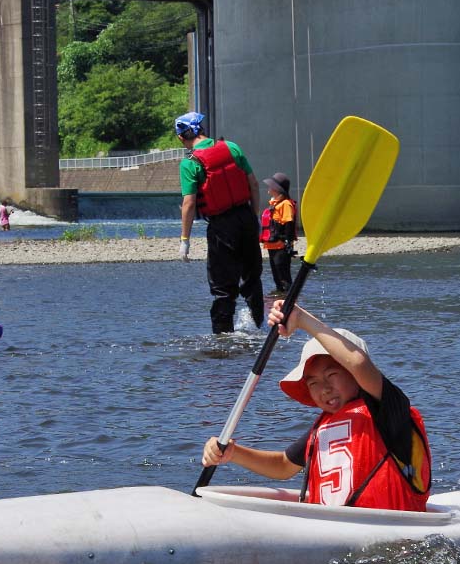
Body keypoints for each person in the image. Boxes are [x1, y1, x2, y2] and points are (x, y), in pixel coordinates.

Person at [202, 300, 432, 512]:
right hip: (336, 532)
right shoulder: (323, 429)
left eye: (332, 375)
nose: (324, 389)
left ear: (354, 375)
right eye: (313, 383)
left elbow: (359, 363)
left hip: (395, 530)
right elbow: (282, 466)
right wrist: (232, 453)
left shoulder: (389, 410)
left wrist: (302, 320)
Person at [175, 111, 265, 333]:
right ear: (202, 129)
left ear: (181, 137)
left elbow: (189, 203)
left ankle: (223, 340)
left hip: (221, 226)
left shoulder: (190, 164)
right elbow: (253, 184)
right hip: (246, 217)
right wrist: (255, 219)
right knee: (252, 278)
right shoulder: (231, 147)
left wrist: (184, 240)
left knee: (223, 287)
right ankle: (260, 328)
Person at [259, 172, 298, 294]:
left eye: (271, 186)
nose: (269, 189)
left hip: (280, 247)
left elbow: (288, 223)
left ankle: (288, 301)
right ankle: (280, 298)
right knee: (278, 279)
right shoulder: (275, 204)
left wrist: (287, 244)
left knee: (284, 279)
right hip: (272, 247)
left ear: (277, 189)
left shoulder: (285, 204)